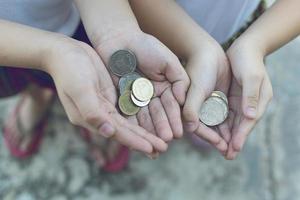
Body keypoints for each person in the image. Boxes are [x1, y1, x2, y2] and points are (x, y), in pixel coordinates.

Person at [0, 0, 190, 171]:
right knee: (20, 81)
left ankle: (91, 114)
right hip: (6, 52)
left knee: (90, 83)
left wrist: (114, 28)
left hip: (74, 22)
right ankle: (36, 97)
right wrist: (48, 54)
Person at [130, 0, 300, 159]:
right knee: (139, 95)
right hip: (157, 30)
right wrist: (197, 47)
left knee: (188, 106)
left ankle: (197, 120)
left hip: (244, 30)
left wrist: (255, 44)